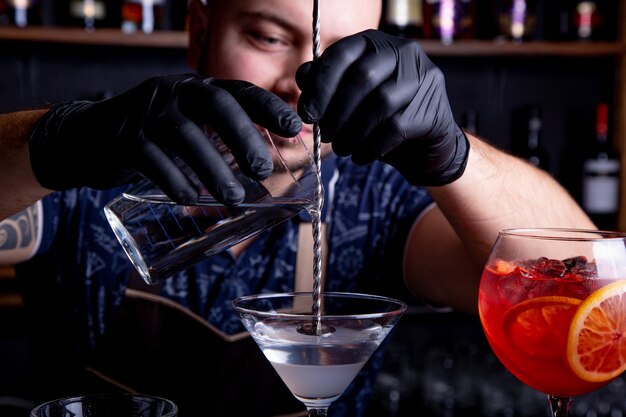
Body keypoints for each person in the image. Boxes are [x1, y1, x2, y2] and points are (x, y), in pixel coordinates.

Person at [0, 0, 594, 416]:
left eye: (343, 59)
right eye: (269, 37)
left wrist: (454, 155)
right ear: (199, 31)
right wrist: (56, 143)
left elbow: (585, 298)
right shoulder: (89, 176)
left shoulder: (376, 203)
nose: (301, 86)